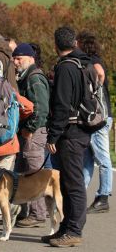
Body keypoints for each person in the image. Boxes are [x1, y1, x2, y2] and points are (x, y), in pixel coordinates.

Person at [45, 26, 92, 247]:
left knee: (73, 183)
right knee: (66, 182)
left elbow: (62, 105)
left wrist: (53, 136)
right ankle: (66, 227)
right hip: (79, 129)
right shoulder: (84, 63)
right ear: (74, 43)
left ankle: (74, 231)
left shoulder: (65, 68)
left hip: (70, 133)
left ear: (56, 45)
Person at [11, 43, 50, 228]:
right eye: (14, 58)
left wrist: (30, 129)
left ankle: (38, 213)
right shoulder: (28, 76)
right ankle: (28, 211)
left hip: (34, 132)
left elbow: (41, 109)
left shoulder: (34, 78)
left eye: (19, 58)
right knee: (25, 170)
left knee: (34, 172)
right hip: (29, 131)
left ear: (30, 58)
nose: (15, 61)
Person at [77, 31, 113, 213]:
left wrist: (94, 91)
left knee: (102, 156)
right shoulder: (94, 59)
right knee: (88, 159)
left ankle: (103, 196)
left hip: (97, 117)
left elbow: (99, 73)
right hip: (100, 116)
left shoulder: (92, 62)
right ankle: (80, 194)